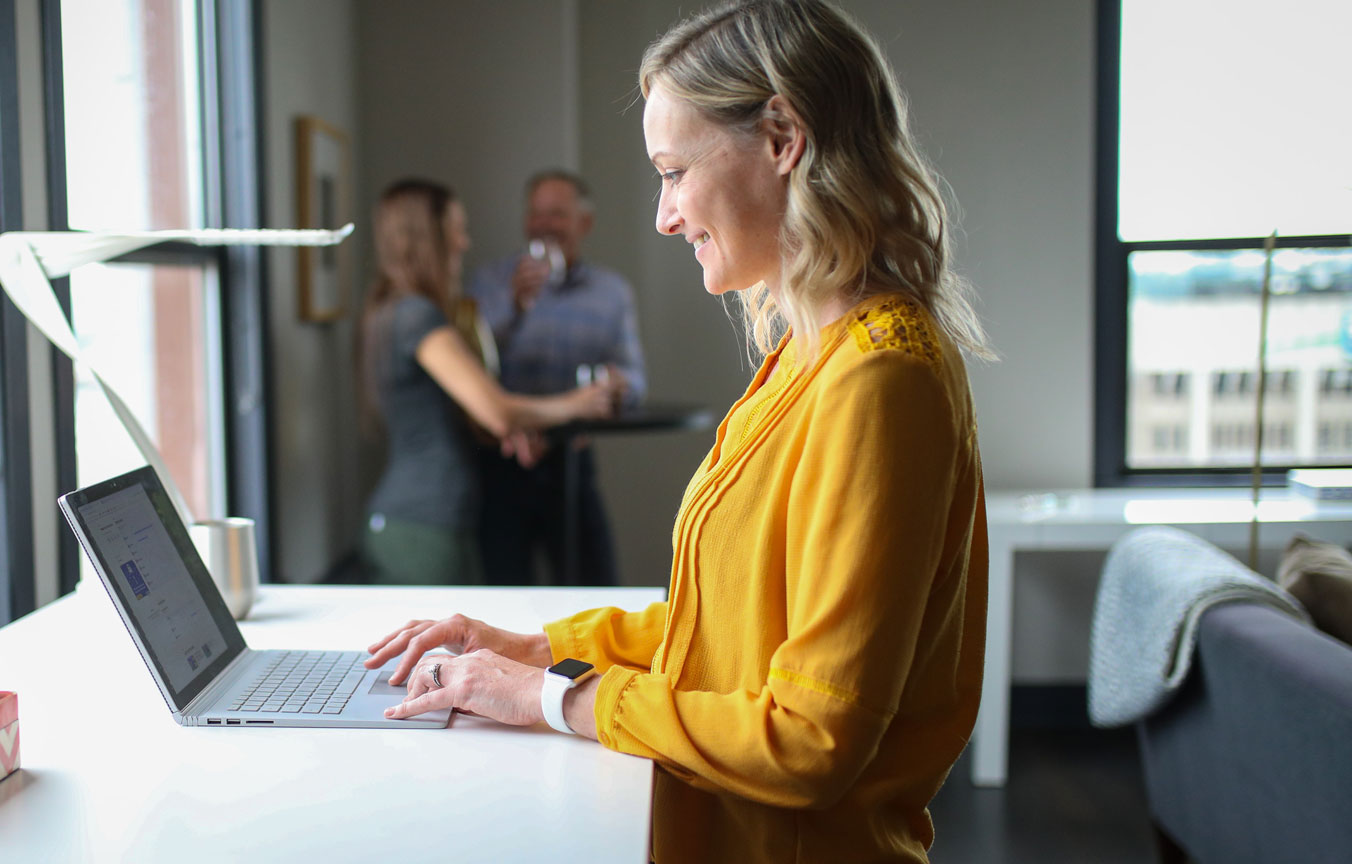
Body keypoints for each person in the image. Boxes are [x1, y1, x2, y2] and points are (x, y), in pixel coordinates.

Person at [361, 2, 994, 861]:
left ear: (781, 139)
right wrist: (534, 648)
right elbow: (725, 631)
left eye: (673, 172)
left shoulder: (879, 378)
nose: (664, 216)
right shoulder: (812, 357)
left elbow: (810, 741)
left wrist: (554, 698)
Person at [358, 178, 612, 586]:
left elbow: (465, 415)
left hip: (422, 521)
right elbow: (496, 409)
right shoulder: (417, 316)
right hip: (423, 524)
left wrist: (510, 431)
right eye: (456, 229)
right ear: (428, 237)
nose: (464, 242)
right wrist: (579, 404)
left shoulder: (397, 310)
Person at [467, 170, 648, 586]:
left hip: (572, 460)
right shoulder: (491, 282)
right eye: (536, 214)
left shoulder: (612, 292)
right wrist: (512, 307)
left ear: (584, 224)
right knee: (505, 594)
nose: (544, 225)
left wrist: (618, 390)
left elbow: (635, 378)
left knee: (595, 588)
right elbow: (469, 366)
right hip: (502, 463)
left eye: (557, 214)